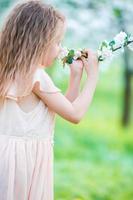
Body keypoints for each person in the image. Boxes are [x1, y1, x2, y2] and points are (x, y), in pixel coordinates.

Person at [0, 1, 99, 199]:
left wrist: (75, 78)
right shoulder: (36, 76)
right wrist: (93, 75)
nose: (59, 48)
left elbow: (60, 108)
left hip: (9, 158)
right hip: (23, 165)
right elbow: (75, 114)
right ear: (38, 41)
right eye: (56, 42)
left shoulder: (13, 72)